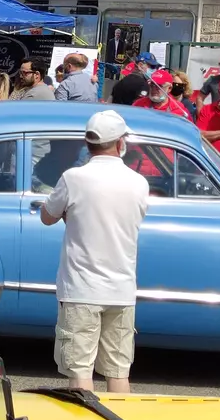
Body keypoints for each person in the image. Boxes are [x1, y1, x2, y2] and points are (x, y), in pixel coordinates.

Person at [39, 109, 150, 394]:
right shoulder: (139, 182)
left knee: (80, 371)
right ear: (120, 142)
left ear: (88, 143)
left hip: (81, 289)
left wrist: (67, 214)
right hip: (122, 289)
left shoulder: (74, 177)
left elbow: (48, 216)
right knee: (118, 371)